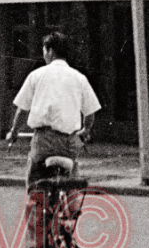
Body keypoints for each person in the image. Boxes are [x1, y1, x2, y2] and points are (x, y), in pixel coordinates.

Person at [6, 31, 101, 186]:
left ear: (50, 51)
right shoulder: (79, 77)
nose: (44, 54)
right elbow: (90, 113)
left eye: (44, 50)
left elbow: (22, 110)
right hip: (70, 142)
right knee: (71, 178)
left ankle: (34, 207)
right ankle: (72, 206)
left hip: (44, 141)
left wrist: (14, 131)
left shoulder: (36, 75)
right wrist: (86, 130)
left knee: (35, 184)